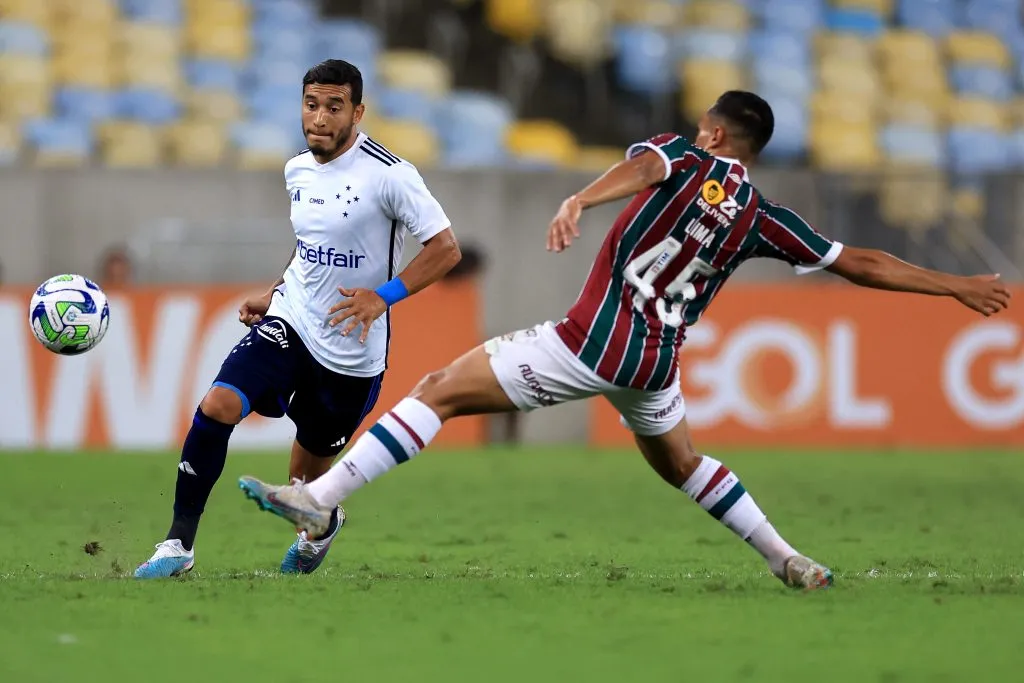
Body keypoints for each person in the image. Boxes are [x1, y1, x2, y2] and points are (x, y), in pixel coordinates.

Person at [236, 91, 1011, 590]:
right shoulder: (763, 217)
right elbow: (861, 262)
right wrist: (956, 285)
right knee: (682, 463)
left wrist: (580, 195)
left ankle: (319, 500)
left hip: (592, 341)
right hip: (656, 361)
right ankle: (787, 558)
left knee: (436, 388)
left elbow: (643, 168)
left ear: (715, 132)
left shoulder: (684, 151)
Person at [134, 59, 461, 578]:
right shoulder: (297, 170)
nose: (320, 118)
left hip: (351, 353)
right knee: (218, 404)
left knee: (303, 491)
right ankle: (177, 545)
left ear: (358, 111)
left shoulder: (392, 176)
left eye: (334, 107)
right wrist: (274, 292)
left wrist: (381, 297)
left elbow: (445, 250)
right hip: (293, 321)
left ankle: (321, 528)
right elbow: (310, 247)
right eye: (311, 105)